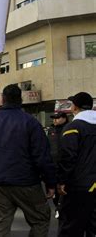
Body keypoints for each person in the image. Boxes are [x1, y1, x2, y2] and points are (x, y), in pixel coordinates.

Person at [0, 84, 56, 237]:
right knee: (40, 219)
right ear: (21, 99)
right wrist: (50, 183)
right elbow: (42, 157)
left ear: (2, 99)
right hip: (26, 182)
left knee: (0, 224)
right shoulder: (31, 123)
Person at [57, 92, 96, 237]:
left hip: (79, 187)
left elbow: (68, 157)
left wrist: (61, 181)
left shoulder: (73, 128)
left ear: (75, 107)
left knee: (71, 228)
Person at [46, 112, 68, 218]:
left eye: (57, 118)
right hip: (53, 164)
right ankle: (57, 207)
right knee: (55, 188)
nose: (55, 120)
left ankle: (62, 208)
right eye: (54, 118)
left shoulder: (68, 129)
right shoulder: (51, 130)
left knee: (64, 188)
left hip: (65, 163)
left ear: (64, 118)